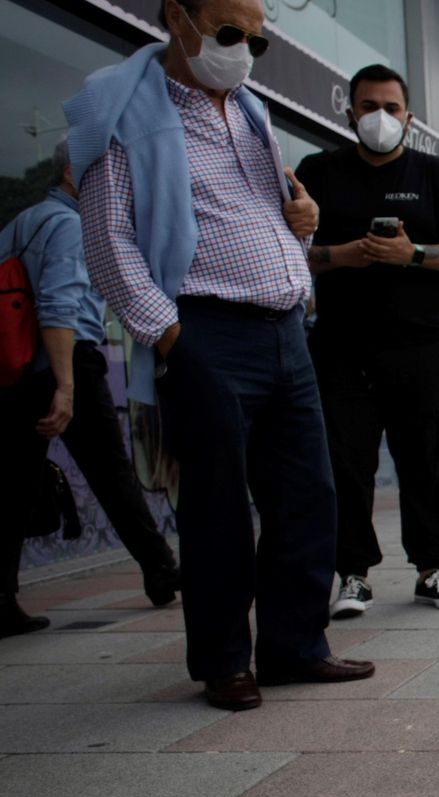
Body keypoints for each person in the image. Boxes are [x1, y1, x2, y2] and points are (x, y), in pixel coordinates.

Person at [69, 0, 374, 709]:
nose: (241, 52)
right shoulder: (125, 115)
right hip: (206, 330)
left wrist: (305, 224)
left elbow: (265, 217)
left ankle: (295, 646)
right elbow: (108, 240)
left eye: (255, 42)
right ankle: (224, 660)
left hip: (285, 328)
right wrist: (172, 336)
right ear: (178, 17)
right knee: (217, 507)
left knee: (308, 495)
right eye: (229, 33)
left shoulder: (250, 111)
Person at [294, 63, 439, 619]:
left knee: (427, 457)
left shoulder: (434, 174)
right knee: (345, 462)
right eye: (369, 107)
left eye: (391, 107)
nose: (380, 117)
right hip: (341, 345)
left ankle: (432, 569)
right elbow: (289, 250)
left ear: (409, 117)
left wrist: (413, 254)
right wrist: (344, 255)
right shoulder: (319, 171)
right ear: (349, 112)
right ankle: (353, 575)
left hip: (421, 344)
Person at [1, 142, 183, 634]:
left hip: (17, 367)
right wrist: (65, 385)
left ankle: (2, 598)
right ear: (70, 173)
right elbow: (59, 305)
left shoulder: (21, 223)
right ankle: (161, 569)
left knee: (15, 483)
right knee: (111, 471)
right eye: (101, 172)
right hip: (67, 359)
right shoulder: (70, 225)